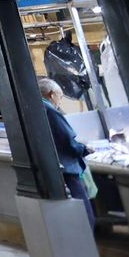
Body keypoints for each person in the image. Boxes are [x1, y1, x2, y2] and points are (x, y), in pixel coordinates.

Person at [41, 78, 96, 229]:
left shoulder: (37, 108)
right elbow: (68, 142)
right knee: (85, 216)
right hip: (68, 169)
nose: (60, 101)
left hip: (53, 168)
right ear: (51, 95)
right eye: (60, 96)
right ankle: (86, 246)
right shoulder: (51, 111)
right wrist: (84, 149)